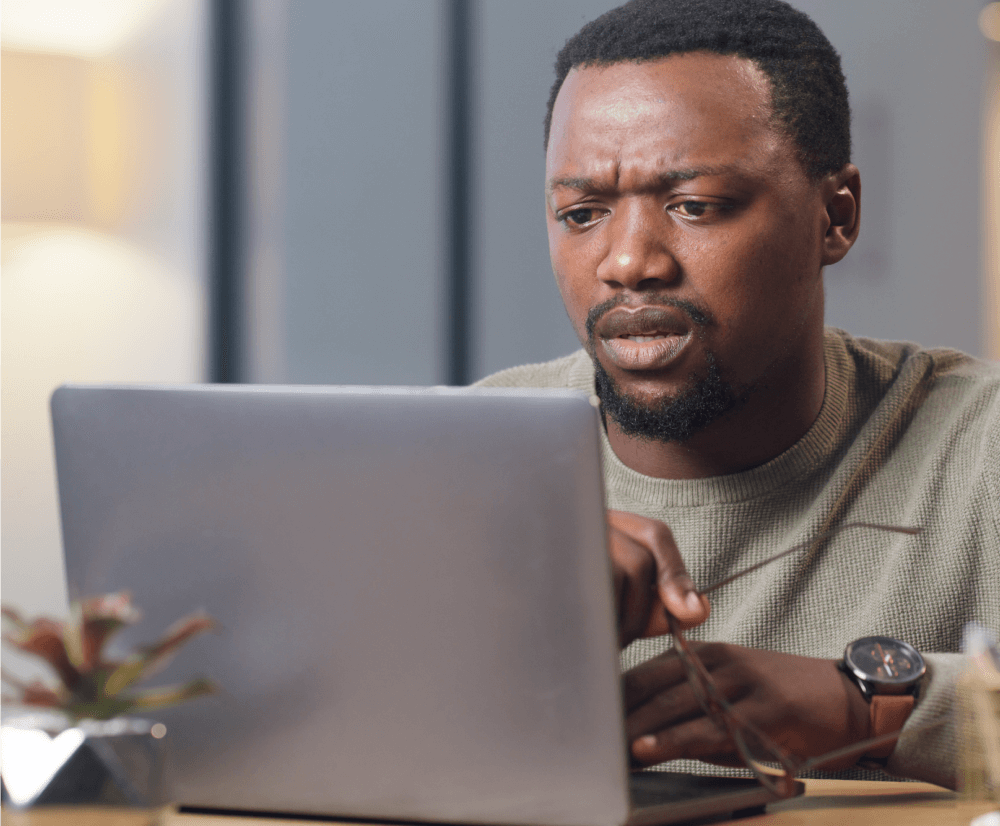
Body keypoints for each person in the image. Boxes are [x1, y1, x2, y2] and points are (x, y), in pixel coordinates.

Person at [476, 0, 1000, 790]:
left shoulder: (977, 445)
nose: (627, 263)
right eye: (581, 214)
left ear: (837, 216)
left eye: (694, 206)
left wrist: (869, 706)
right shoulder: (477, 454)